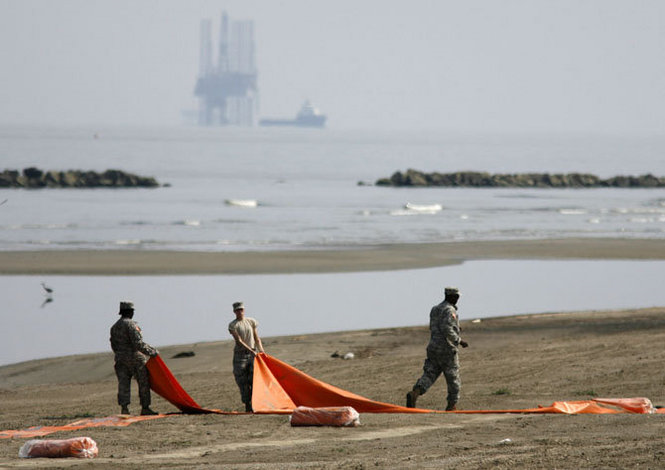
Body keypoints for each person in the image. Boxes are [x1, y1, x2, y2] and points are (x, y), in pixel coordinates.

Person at [406, 287, 469, 411]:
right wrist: (459, 341)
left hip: (433, 347)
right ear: (452, 297)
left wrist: (457, 327)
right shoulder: (449, 310)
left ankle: (415, 393)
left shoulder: (435, 309)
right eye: (456, 297)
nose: (458, 299)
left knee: (430, 374)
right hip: (447, 349)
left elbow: (436, 326)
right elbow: (446, 329)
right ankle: (452, 405)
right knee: (453, 378)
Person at [109, 301, 159, 416]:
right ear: (129, 312)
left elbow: (113, 345)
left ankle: (124, 408)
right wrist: (152, 352)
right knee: (143, 382)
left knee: (123, 384)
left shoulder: (114, 327)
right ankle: (145, 408)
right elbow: (138, 343)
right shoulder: (131, 325)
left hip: (120, 359)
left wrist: (120, 354)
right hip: (135, 358)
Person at [228, 301, 265, 412]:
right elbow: (238, 341)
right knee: (241, 380)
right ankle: (247, 404)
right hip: (240, 356)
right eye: (238, 310)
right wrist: (251, 350)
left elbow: (256, 337)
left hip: (252, 354)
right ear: (234, 312)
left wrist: (261, 351)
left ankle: (255, 403)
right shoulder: (233, 325)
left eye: (241, 309)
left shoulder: (251, 321)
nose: (240, 312)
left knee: (253, 379)